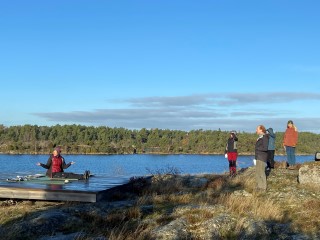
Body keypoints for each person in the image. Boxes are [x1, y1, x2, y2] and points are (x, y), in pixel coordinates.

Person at [255, 125, 269, 191]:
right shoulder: (260, 138)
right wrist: (255, 158)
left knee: (261, 173)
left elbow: (265, 148)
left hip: (262, 157)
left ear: (261, 130)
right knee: (258, 172)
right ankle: (259, 186)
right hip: (258, 157)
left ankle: (263, 187)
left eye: (257, 129)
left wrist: (257, 148)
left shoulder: (265, 137)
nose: (256, 130)